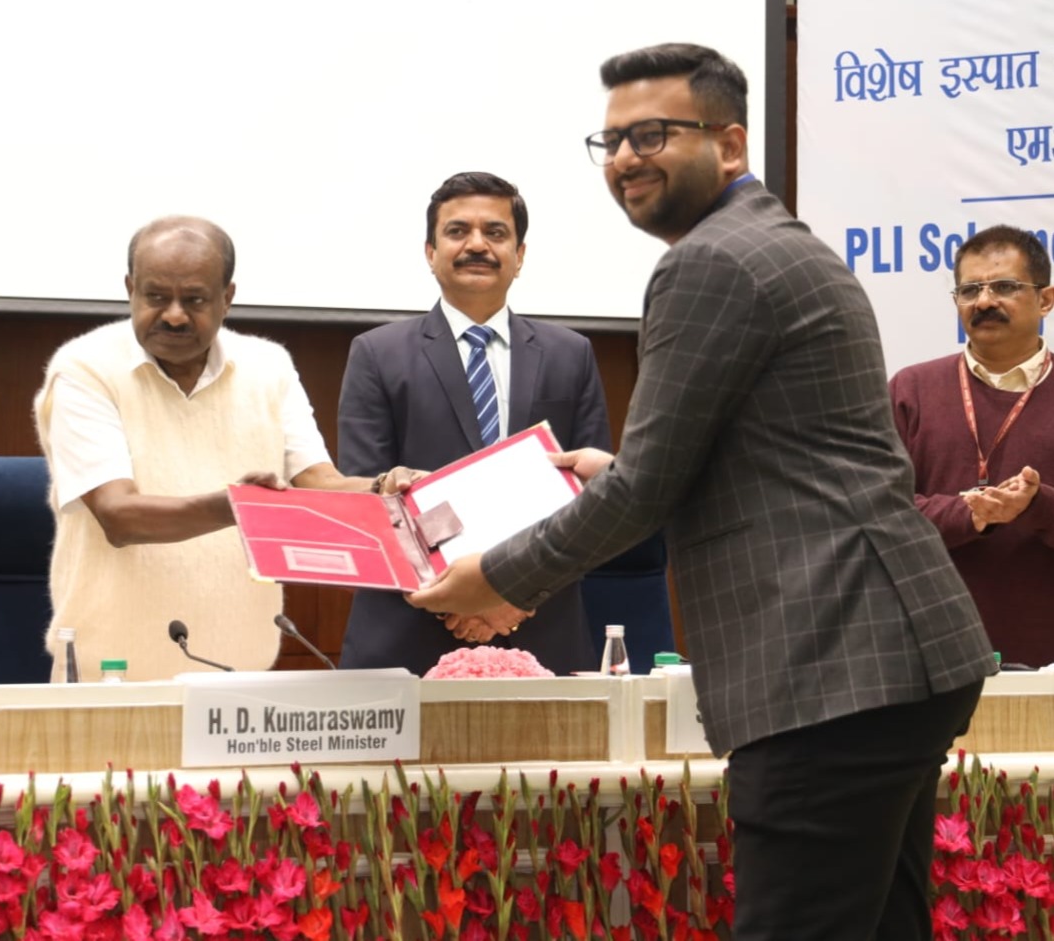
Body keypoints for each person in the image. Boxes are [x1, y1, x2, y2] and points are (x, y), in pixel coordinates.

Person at [407, 44, 993, 940]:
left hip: (828, 663)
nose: (624, 158)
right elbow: (763, 457)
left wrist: (495, 577)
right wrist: (614, 473)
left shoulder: (711, 261)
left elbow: (646, 488)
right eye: (610, 141)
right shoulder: (769, 242)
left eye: (651, 135)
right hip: (885, 655)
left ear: (729, 143)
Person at [33, 216, 411, 682]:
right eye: (156, 297)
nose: (174, 315)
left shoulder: (269, 367)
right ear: (130, 289)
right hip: (112, 677)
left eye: (194, 300)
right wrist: (239, 506)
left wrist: (385, 488)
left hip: (241, 676)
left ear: (227, 298)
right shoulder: (85, 369)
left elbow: (320, 483)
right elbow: (120, 517)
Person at [337, 171, 615, 674]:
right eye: (457, 231)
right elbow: (368, 500)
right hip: (408, 632)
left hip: (541, 628)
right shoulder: (376, 354)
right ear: (430, 252)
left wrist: (513, 595)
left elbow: (596, 502)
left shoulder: (570, 354)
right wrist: (463, 599)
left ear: (519, 255)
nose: (477, 245)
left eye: (495, 232)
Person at [891, 225, 1054, 667]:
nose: (983, 302)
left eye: (1004, 287)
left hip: (1046, 658)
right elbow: (874, 513)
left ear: (1045, 300)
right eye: (969, 290)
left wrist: (1036, 505)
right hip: (928, 655)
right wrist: (969, 514)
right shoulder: (911, 389)